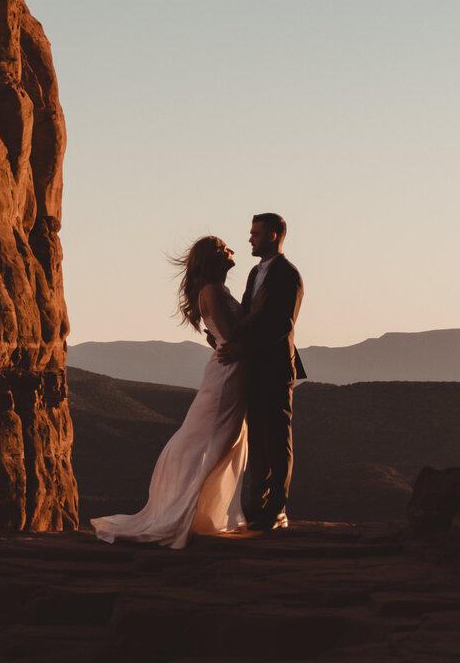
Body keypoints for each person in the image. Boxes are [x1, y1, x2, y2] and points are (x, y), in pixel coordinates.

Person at [91, 236, 249, 548]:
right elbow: (232, 336)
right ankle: (182, 511)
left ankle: (197, 511)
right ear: (213, 259)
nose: (232, 249)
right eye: (224, 248)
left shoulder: (216, 290)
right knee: (213, 439)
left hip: (230, 369)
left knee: (219, 439)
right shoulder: (213, 291)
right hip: (227, 372)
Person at [217, 213, 305, 531]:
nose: (250, 238)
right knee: (257, 437)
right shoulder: (255, 272)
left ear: (274, 235)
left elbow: (282, 326)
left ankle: (276, 509)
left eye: (255, 233)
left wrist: (242, 348)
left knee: (276, 438)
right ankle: (256, 505)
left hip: (276, 368)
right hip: (253, 370)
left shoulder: (288, 274)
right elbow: (248, 314)